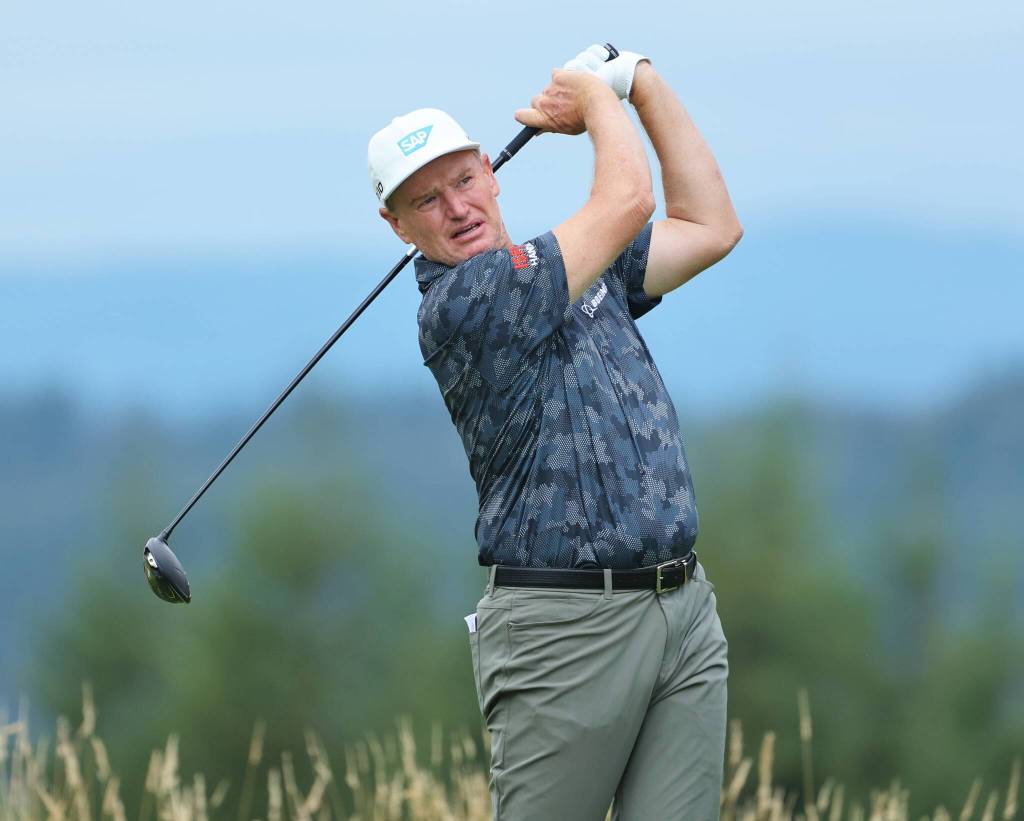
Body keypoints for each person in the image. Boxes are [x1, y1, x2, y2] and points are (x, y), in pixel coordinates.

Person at [368, 44, 742, 821]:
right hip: (563, 631)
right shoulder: (464, 303)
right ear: (396, 223)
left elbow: (710, 226)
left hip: (681, 608)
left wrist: (640, 78)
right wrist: (593, 94)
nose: (458, 206)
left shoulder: (570, 263)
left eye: (464, 179)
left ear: (491, 171)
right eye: (427, 200)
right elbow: (630, 198)